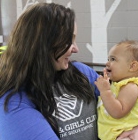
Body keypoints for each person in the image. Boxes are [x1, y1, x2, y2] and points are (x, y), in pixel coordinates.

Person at [0, 2, 100, 140]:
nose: (76, 49)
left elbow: (125, 106)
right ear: (43, 43)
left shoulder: (81, 72)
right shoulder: (13, 102)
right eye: (68, 40)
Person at [94, 40, 138, 140]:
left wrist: (105, 91)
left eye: (113, 59)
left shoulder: (131, 86)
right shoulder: (117, 84)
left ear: (132, 66)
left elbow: (118, 112)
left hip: (126, 135)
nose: (107, 63)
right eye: (108, 59)